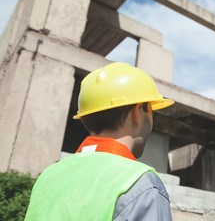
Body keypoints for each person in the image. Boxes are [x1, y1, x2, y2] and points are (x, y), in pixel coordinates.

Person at [25, 62, 174, 220]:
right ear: (137, 112)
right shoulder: (141, 183)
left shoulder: (48, 176)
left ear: (85, 118)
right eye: (151, 111)